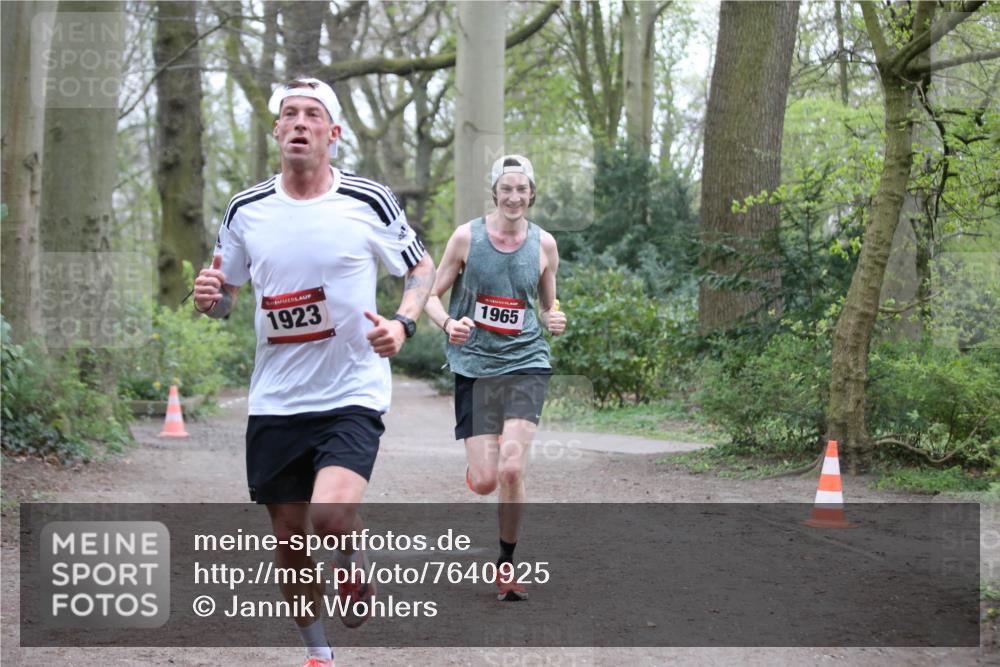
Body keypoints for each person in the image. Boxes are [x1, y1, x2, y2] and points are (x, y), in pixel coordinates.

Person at [193, 77, 434, 667]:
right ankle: (318, 653)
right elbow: (227, 292)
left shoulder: (368, 201)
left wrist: (403, 324)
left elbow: (421, 268)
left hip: (351, 390)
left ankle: (352, 562)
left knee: (329, 516)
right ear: (277, 131)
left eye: (312, 115)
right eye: (290, 115)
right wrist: (210, 298)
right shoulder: (245, 209)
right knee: (291, 541)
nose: (300, 123)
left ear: (334, 133)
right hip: (276, 400)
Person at [424, 154, 566, 601]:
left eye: (522, 189)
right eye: (506, 188)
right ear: (494, 192)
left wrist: (554, 317)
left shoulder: (545, 244)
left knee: (509, 469)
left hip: (526, 362)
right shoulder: (467, 238)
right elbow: (429, 296)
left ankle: (506, 565)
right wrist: (449, 325)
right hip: (475, 368)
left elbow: (548, 305)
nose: (514, 196)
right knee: (486, 480)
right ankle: (478, 473)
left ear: (532, 193)